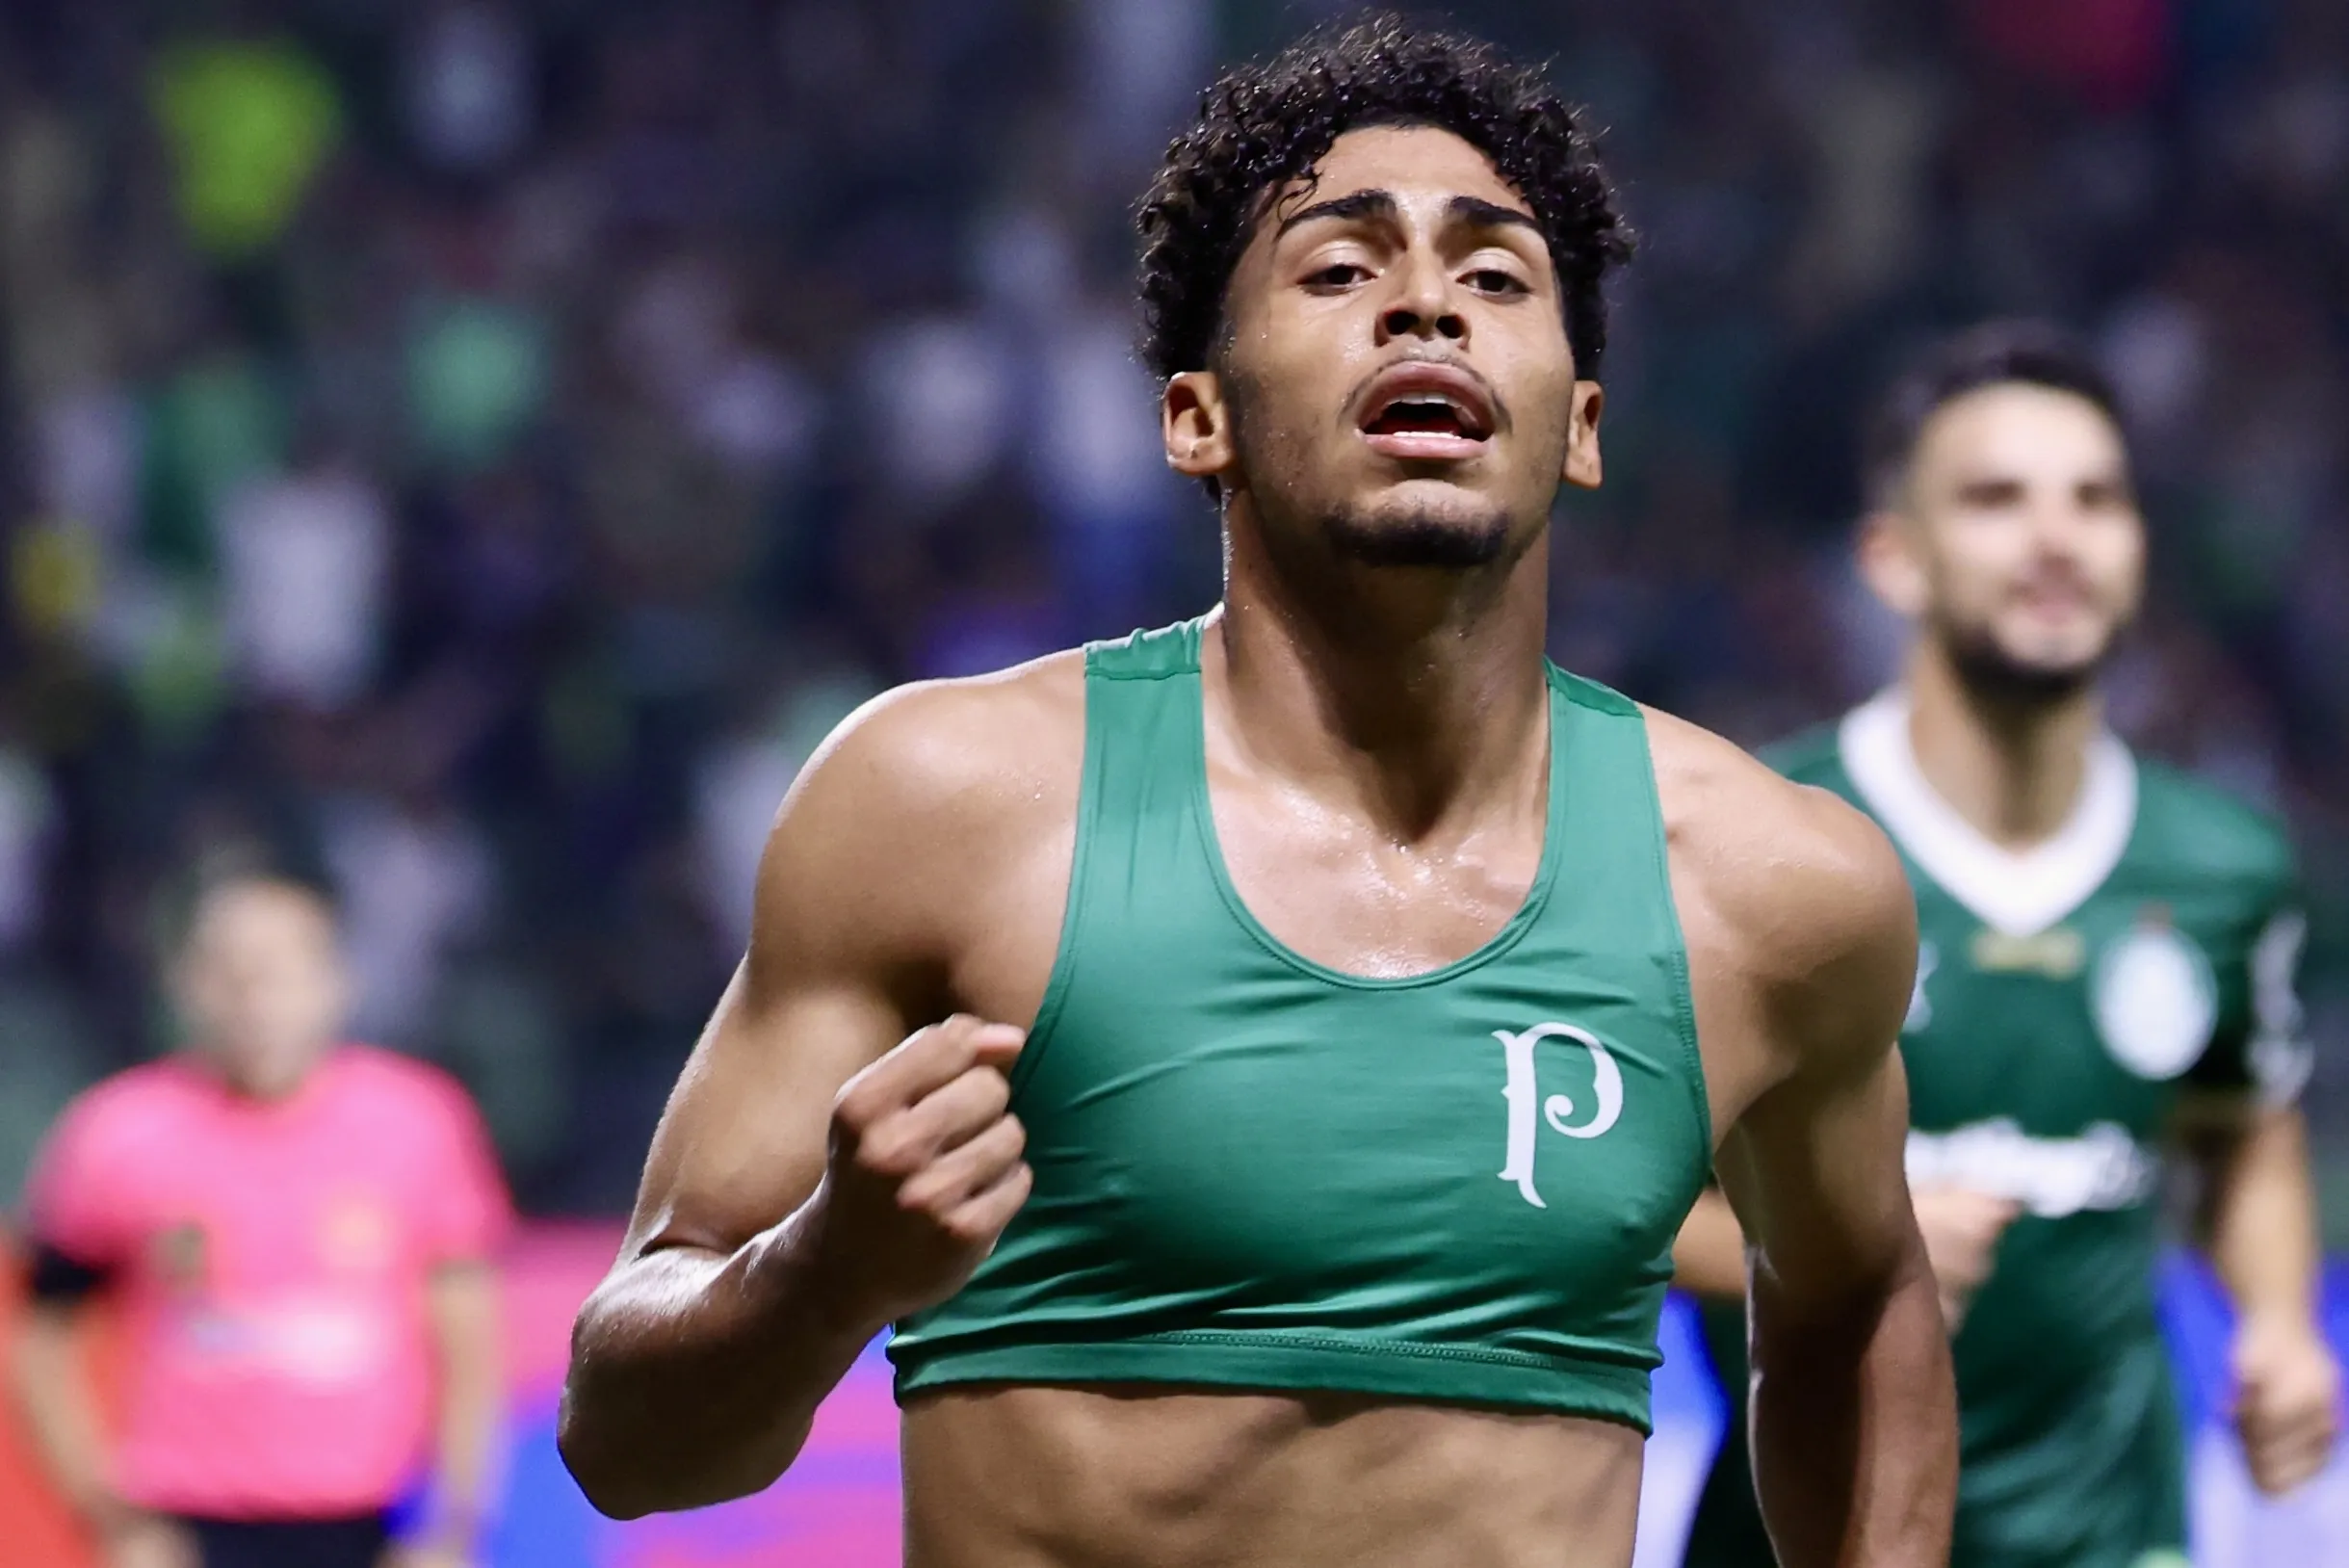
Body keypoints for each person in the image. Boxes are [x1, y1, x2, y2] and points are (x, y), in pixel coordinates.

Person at [558, 19, 1958, 1567]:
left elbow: (1856, 1298)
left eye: (1495, 278)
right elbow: (619, 1446)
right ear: (1194, 416)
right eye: (1339, 269)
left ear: (1579, 429)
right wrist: (824, 1270)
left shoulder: (1775, 893)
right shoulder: (944, 805)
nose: (1426, 299)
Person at [1675, 324, 2341, 1568]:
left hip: (2109, 1534)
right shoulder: (1760, 843)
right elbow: (1616, 1199)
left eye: (2092, 499)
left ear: (2135, 549)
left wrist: (2276, 1323)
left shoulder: (2219, 868)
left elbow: (2240, 1119)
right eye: (1993, 498)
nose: (2053, 537)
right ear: (1891, 556)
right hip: (1801, 1539)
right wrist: (1849, 1243)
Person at [11, 866, 511, 1568]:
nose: (254, 999)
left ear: (337, 981)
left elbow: (469, 1340)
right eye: (230, 972)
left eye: (279, 971)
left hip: (368, 1523)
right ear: (186, 983)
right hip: (186, 1526)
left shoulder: (417, 1123)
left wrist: (456, 1522)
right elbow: (44, 1339)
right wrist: (112, 1521)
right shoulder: (118, 1132)